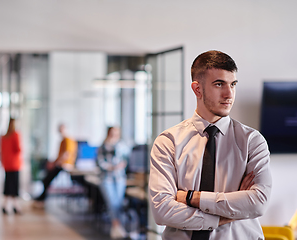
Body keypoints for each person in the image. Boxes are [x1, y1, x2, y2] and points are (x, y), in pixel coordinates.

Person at [149, 50, 272, 240]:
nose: (229, 94)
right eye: (219, 84)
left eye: (233, 84)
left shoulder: (252, 141)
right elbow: (162, 211)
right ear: (197, 89)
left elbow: (258, 203)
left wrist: (191, 198)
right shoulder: (168, 142)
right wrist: (226, 213)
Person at [96, 126, 130, 239]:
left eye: (116, 132)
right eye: (112, 132)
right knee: (111, 203)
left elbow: (126, 159)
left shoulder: (122, 145)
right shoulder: (103, 146)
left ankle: (116, 227)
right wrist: (111, 167)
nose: (114, 135)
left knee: (118, 204)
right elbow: (100, 162)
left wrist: (120, 166)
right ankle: (117, 226)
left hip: (120, 178)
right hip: (107, 178)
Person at [33, 123, 77, 207]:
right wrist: (52, 162)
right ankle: (42, 197)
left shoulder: (68, 140)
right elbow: (59, 155)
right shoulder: (62, 141)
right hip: (60, 164)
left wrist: (55, 163)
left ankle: (42, 198)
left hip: (65, 165)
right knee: (47, 175)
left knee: (48, 178)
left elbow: (66, 155)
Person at [0, 118, 23, 214]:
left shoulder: (4, 137)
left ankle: (9, 206)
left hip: (7, 164)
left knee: (8, 185)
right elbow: (18, 149)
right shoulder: (15, 135)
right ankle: (15, 206)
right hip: (14, 165)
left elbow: (2, 151)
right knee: (14, 186)